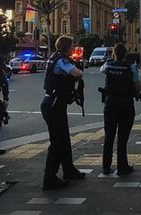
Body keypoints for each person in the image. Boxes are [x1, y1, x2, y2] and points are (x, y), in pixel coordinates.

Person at [41, 36, 85, 191]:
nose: (74, 48)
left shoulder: (55, 57)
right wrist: (78, 67)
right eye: (72, 45)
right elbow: (77, 74)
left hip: (55, 104)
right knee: (57, 142)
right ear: (68, 47)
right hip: (53, 104)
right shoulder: (61, 60)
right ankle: (49, 178)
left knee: (64, 138)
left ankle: (69, 169)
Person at [100, 43, 141, 175]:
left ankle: (106, 166)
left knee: (109, 136)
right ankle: (122, 167)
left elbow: (102, 70)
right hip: (126, 103)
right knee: (123, 137)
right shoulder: (131, 66)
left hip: (110, 103)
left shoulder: (108, 64)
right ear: (126, 54)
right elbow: (137, 85)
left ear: (114, 54)